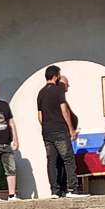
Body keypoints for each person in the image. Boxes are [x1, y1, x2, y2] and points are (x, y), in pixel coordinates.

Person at [36, 64, 80, 197]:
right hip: (60, 130)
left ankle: (54, 191)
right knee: (68, 159)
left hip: (47, 132)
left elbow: (40, 116)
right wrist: (71, 129)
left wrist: (46, 127)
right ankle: (72, 189)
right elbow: (64, 110)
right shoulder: (58, 89)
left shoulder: (41, 93)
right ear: (56, 76)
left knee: (51, 161)